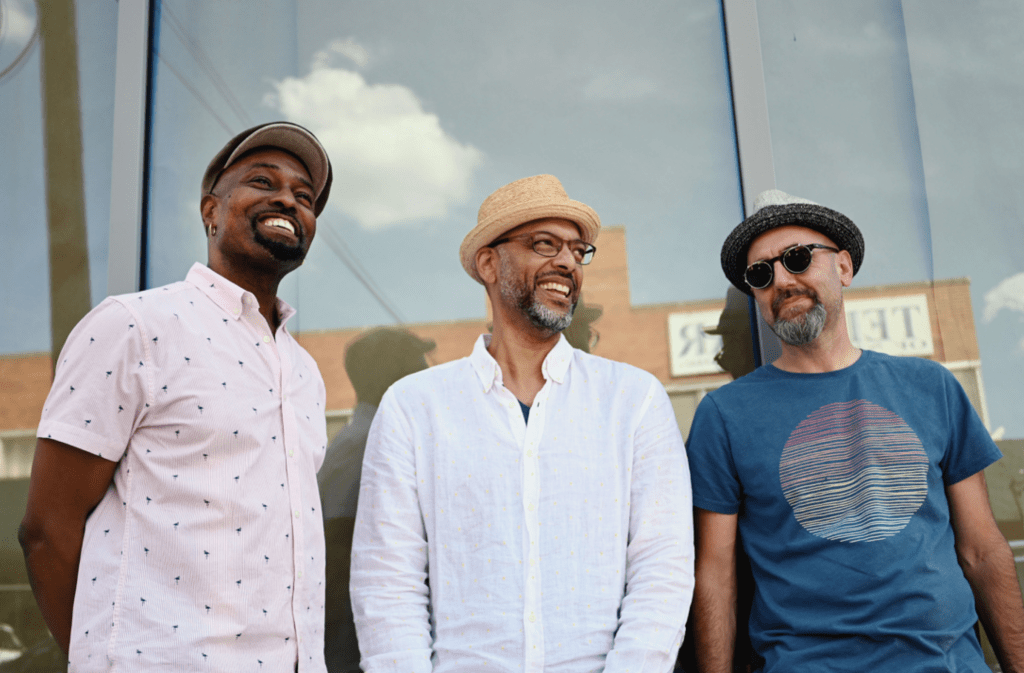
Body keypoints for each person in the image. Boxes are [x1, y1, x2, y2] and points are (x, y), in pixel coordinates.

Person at [19, 121, 334, 671]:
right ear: (211, 211)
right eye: (262, 181)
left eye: (304, 197)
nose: (287, 198)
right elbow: (47, 529)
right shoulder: (134, 326)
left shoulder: (304, 372)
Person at [350, 174, 694, 673]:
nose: (567, 263)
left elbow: (661, 569)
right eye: (544, 244)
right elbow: (387, 581)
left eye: (578, 251)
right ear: (489, 263)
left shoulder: (633, 399)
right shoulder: (413, 406)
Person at [687, 189, 1024, 672]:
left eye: (797, 259)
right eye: (761, 275)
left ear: (843, 268)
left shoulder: (931, 387)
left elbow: (982, 549)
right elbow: (716, 574)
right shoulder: (724, 415)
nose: (781, 280)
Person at [318, 327, 435, 672]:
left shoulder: (366, 441)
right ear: (395, 375)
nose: (428, 371)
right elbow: (343, 567)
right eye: (418, 362)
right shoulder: (369, 448)